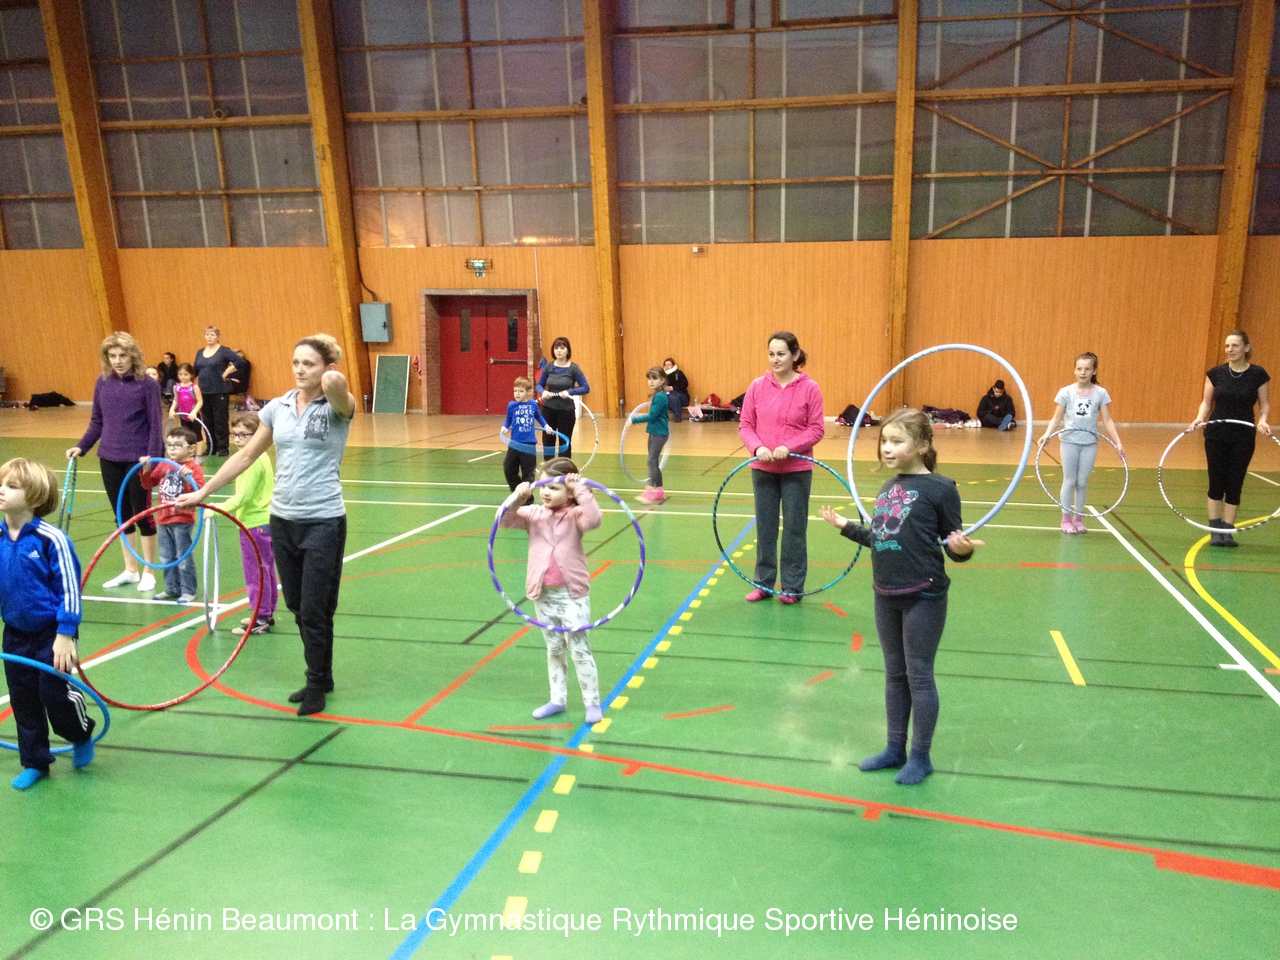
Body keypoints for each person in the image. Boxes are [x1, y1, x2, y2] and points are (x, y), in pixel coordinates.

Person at [177, 334, 355, 716]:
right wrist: (203, 491)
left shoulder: (338, 406)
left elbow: (339, 389)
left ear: (326, 367)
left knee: (315, 608)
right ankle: (322, 674)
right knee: (296, 605)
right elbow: (245, 457)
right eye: (296, 362)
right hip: (282, 519)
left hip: (323, 521)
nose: (300, 370)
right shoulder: (278, 407)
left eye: (309, 363)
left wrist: (330, 376)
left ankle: (316, 681)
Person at [820, 409, 981, 786]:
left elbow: (953, 546)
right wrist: (846, 527)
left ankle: (921, 756)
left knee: (919, 675)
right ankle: (895, 748)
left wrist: (962, 549)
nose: (887, 448)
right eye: (884, 441)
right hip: (885, 592)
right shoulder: (887, 487)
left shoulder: (942, 488)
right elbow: (881, 539)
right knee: (894, 674)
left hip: (924, 593)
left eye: (897, 441)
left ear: (922, 445)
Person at [0, 458, 96, 790]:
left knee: (53, 693)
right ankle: (35, 762)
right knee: (22, 698)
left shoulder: (51, 539)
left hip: (53, 632)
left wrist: (66, 633)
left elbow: (70, 588)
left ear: (35, 496)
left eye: (12, 486)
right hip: (15, 632)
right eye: (1, 483)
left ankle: (80, 733)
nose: (2, 490)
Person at [499, 457, 604, 725]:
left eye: (554, 488)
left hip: (572, 595)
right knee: (554, 648)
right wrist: (517, 497)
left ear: (569, 493)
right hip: (543, 594)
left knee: (579, 649)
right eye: (543, 485)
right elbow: (504, 520)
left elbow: (595, 519)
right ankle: (557, 699)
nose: (546, 492)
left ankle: (592, 701)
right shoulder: (533, 514)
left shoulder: (576, 516)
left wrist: (581, 489)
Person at [67, 332, 163, 594]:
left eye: (123, 355)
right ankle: (130, 569)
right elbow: (97, 421)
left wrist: (152, 459)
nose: (118, 361)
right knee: (122, 516)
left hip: (138, 460)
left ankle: (148, 571)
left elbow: (155, 425)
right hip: (109, 457)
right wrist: (82, 446)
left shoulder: (147, 385)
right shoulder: (103, 383)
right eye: (112, 356)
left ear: (133, 356)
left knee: (143, 515)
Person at [737, 331, 825, 603]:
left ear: (795, 355)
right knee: (765, 528)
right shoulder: (757, 387)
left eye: (781, 354)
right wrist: (757, 448)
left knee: (795, 530)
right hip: (763, 470)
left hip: (796, 470)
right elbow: (745, 426)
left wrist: (789, 446)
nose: (775, 359)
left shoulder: (810, 388)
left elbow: (816, 429)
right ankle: (763, 583)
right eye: (771, 354)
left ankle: (791, 587)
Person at [1191, 329, 1272, 547]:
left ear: (1246, 347)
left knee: (1235, 483)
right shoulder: (1216, 373)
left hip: (1243, 437)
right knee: (1216, 482)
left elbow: (1264, 405)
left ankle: (1227, 530)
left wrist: (1263, 421)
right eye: (1227, 346)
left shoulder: (1258, 374)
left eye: (1235, 345)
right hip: (1216, 434)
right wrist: (1199, 418)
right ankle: (1215, 530)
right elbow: (1206, 403)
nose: (1230, 350)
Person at [1038, 352, 1124, 534]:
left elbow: (1107, 419)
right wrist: (1047, 434)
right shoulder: (1065, 392)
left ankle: (1078, 519)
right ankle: (1065, 520)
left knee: (1082, 482)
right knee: (1069, 480)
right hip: (1069, 441)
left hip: (1089, 443)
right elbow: (1056, 417)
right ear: (1074, 370)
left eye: (1087, 369)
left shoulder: (1101, 393)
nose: (1083, 372)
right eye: (1079, 369)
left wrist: (1118, 442)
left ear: (1094, 371)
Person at [220, 412, 277, 636]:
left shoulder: (252, 461)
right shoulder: (260, 456)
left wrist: (216, 510)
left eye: (244, 434)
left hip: (254, 524)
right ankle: (266, 612)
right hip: (264, 522)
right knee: (266, 569)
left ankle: (260, 617)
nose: (237, 438)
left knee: (256, 573)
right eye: (235, 434)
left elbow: (243, 497)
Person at [139, 426, 205, 603]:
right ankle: (172, 588)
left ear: (191, 449)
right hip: (163, 518)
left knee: (183, 557)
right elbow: (148, 484)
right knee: (166, 557)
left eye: (178, 445)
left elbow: (198, 492)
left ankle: (188, 590)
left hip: (182, 519)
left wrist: (187, 478)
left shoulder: (194, 468)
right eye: (169, 445)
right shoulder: (164, 464)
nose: (172, 449)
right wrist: (146, 469)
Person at [537, 337, 589, 459]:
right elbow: (539, 385)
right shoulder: (548, 367)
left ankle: (564, 468)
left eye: (562, 348)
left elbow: (586, 388)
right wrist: (543, 392)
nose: (559, 351)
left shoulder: (573, 368)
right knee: (548, 441)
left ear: (567, 351)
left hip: (566, 411)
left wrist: (570, 392)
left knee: (564, 443)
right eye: (556, 348)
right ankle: (549, 468)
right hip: (548, 410)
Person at [193, 326, 239, 457]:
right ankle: (211, 447)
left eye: (212, 334)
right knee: (207, 420)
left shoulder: (224, 351)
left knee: (220, 420)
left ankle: (223, 448)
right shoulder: (200, 352)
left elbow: (240, 362)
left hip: (219, 390)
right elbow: (195, 370)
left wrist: (227, 371)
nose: (209, 337)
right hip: (204, 391)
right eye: (207, 334)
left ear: (218, 337)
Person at [502, 376, 550, 492]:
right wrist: (504, 427)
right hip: (515, 444)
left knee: (528, 473)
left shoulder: (533, 405)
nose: (517, 394)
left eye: (521, 391)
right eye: (515, 391)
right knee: (508, 468)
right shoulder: (511, 405)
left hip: (529, 444)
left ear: (528, 392)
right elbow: (508, 420)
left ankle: (527, 497)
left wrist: (546, 426)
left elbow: (539, 416)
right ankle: (517, 492)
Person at [630, 366, 670, 504]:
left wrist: (633, 420)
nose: (651, 382)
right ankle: (659, 491)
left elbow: (652, 416)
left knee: (651, 461)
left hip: (659, 433)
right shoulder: (657, 396)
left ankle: (651, 490)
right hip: (654, 432)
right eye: (649, 379)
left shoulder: (660, 397)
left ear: (662, 380)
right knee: (654, 462)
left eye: (654, 378)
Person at [170, 363, 205, 456]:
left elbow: (200, 401)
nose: (183, 377)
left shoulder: (194, 387)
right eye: (180, 374)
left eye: (186, 374)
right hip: (183, 415)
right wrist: (172, 409)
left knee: (197, 434)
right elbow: (176, 400)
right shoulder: (176, 387)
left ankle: (199, 455)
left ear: (191, 375)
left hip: (194, 415)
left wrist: (194, 412)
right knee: (187, 435)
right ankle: (190, 453)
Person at [662, 357, 690, 422]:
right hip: (667, 394)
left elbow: (685, 384)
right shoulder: (662, 375)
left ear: (673, 365)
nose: (667, 366)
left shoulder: (678, 373)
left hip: (681, 396)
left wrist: (673, 388)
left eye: (669, 365)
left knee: (673, 396)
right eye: (666, 365)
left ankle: (678, 417)